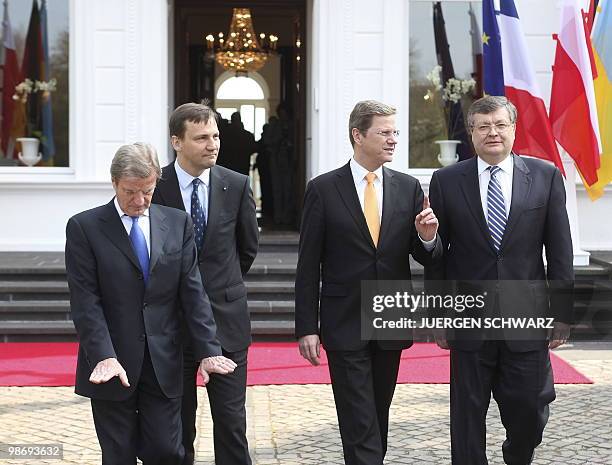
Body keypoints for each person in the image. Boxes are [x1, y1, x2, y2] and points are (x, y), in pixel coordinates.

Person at [65, 143, 237, 465]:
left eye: (147, 191)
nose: (140, 201)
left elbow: (192, 291)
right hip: (111, 365)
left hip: (164, 361)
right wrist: (103, 355)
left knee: (168, 451)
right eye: (130, 191)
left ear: (156, 181)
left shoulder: (176, 223)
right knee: (119, 455)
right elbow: (86, 301)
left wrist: (208, 349)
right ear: (114, 182)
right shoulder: (84, 228)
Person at [427, 96, 574, 465]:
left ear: (513, 129)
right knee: (466, 417)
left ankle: (517, 452)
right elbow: (438, 256)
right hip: (467, 316)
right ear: (471, 133)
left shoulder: (545, 176)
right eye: (483, 126)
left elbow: (559, 250)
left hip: (525, 318)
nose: (492, 132)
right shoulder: (446, 181)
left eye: (500, 125)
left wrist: (562, 311)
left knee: (530, 407)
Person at [295, 100, 442, 465]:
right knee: (358, 416)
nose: (393, 139)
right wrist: (306, 327)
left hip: (390, 315)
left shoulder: (408, 187)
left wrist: (427, 237)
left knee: (376, 413)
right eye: (385, 132)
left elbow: (426, 255)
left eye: (395, 132)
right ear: (358, 135)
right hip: (343, 319)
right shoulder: (323, 189)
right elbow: (308, 265)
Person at [152, 103, 259, 465]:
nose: (212, 144)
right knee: (177, 427)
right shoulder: (155, 186)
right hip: (171, 325)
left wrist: (218, 288)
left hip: (226, 321)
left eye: (215, 135)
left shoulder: (237, 183)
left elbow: (247, 248)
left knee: (231, 425)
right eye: (201, 138)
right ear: (177, 142)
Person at [217, 111, 257, 176]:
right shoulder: (248, 135)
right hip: (243, 164)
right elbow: (253, 149)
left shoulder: (225, 136)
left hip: (228, 166)